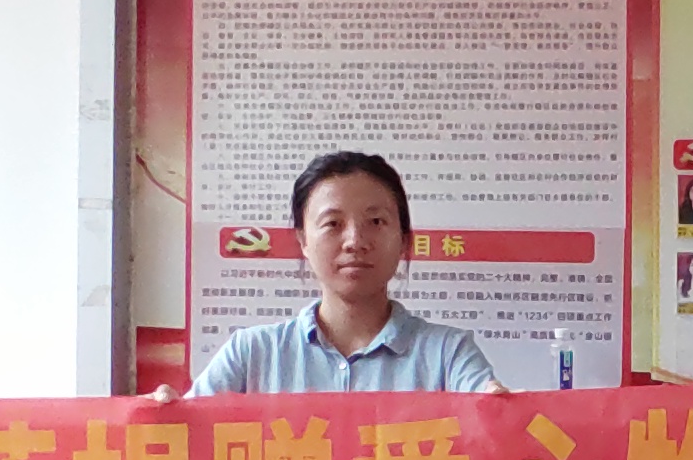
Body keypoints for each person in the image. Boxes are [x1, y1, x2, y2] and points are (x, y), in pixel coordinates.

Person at [189, 151, 501, 392]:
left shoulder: (449, 354)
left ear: (404, 240)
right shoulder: (251, 354)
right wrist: (165, 414)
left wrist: (506, 413)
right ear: (303, 241)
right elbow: (187, 437)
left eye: (376, 222)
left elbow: (493, 430)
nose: (355, 241)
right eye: (333, 224)